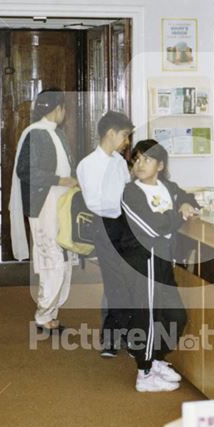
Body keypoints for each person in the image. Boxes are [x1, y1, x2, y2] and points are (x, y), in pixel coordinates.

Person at [121, 140, 199, 393]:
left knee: (176, 316)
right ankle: (144, 371)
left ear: (160, 165)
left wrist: (186, 203)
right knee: (148, 315)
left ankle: (155, 358)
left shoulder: (168, 187)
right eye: (137, 159)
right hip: (145, 261)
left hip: (164, 260)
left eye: (147, 159)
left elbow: (186, 197)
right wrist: (177, 216)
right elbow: (154, 227)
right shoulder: (131, 192)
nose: (140, 164)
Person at [10, 89, 77, 332]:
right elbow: (25, 171)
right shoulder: (36, 133)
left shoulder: (56, 133)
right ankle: (43, 314)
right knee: (52, 259)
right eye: (64, 107)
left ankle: (50, 313)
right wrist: (60, 180)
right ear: (58, 108)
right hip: (44, 205)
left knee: (62, 258)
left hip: (59, 203)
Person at [76, 110, 136, 358]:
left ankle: (113, 337)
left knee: (123, 281)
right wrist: (124, 201)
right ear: (110, 134)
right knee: (116, 283)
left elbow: (126, 192)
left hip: (124, 225)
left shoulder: (120, 162)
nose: (127, 142)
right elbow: (95, 203)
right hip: (104, 226)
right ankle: (128, 338)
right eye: (124, 136)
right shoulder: (88, 165)